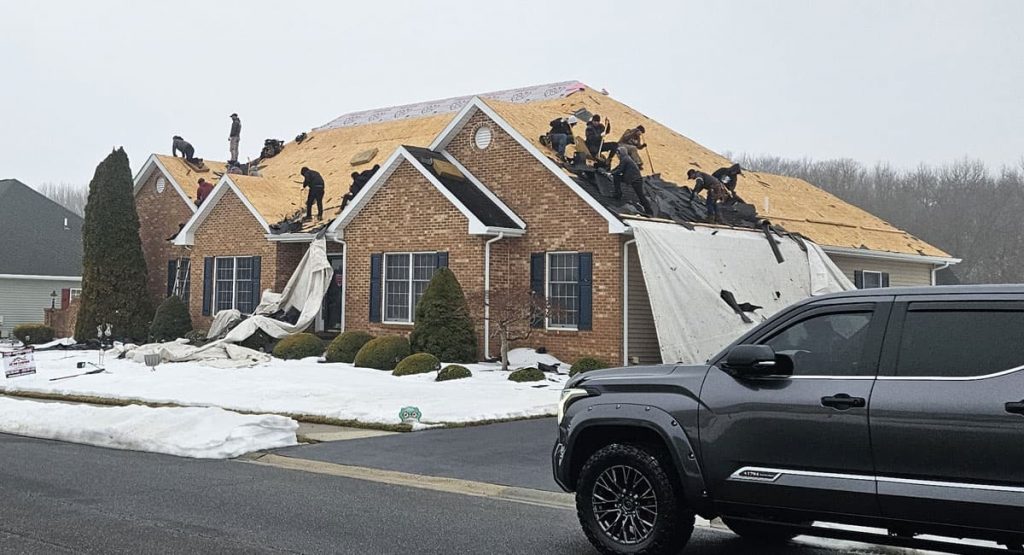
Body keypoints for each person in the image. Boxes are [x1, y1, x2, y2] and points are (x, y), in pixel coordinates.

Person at [611, 146, 653, 214]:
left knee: (640, 195)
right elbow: (618, 167)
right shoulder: (625, 158)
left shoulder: (625, 159)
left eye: (617, 154)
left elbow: (620, 170)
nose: (617, 156)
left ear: (620, 153)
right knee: (616, 177)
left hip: (635, 180)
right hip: (631, 178)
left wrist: (610, 173)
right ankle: (618, 194)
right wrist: (611, 172)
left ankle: (649, 211)